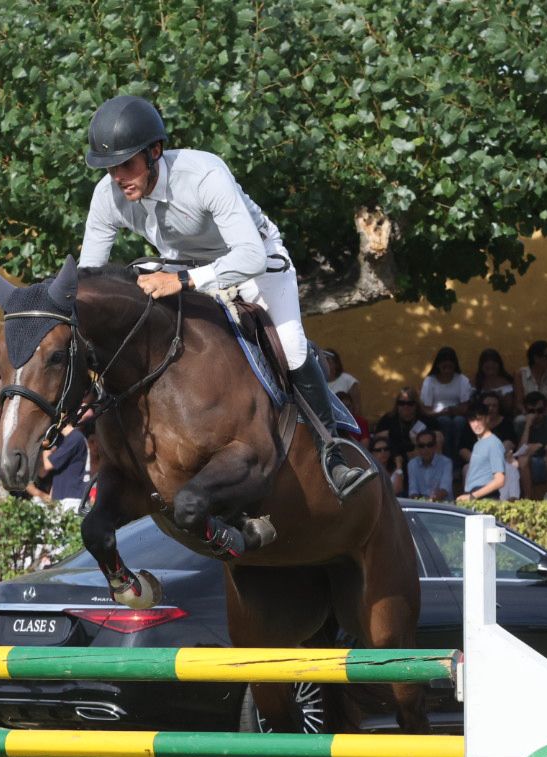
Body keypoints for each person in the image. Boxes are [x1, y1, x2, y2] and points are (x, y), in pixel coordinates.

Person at [76, 94, 372, 497]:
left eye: (126, 164)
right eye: (109, 168)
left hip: (255, 261)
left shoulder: (203, 174)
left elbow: (248, 255)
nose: (117, 177)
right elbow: (89, 280)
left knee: (292, 347)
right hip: (181, 265)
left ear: (155, 152)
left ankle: (332, 450)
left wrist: (180, 283)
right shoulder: (106, 197)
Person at [419, 347, 473, 456]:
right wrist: (442, 412)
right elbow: (426, 410)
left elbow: (465, 407)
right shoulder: (430, 381)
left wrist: (452, 410)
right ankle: (448, 456)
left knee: (459, 421)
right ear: (438, 365)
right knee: (444, 421)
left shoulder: (462, 380)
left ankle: (459, 456)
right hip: (436, 417)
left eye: (450, 365)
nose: (447, 368)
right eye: (444, 364)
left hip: (458, 415)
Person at [457, 402, 507, 502]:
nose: (476, 424)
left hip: (486, 498)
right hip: (476, 496)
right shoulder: (477, 444)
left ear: (487, 418)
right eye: (472, 420)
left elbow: (500, 480)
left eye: (479, 419)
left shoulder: (494, 443)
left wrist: (472, 496)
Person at [39, 422, 90, 511]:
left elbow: (47, 465)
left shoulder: (75, 437)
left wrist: (46, 446)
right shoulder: (66, 439)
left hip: (71, 499)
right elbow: (42, 473)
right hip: (62, 498)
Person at [373, 388, 429, 458]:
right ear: (397, 404)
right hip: (394, 456)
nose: (405, 406)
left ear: (416, 404)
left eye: (410, 403)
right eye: (401, 403)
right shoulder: (388, 418)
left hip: (420, 456)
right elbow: (376, 439)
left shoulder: (425, 419)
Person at [404, 431, 452, 501]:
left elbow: (444, 490)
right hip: (421, 506)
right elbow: (413, 491)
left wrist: (428, 502)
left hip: (443, 506)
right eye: (421, 446)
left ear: (435, 446)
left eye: (429, 445)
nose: (426, 449)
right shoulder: (412, 464)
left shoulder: (446, 463)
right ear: (417, 448)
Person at [515, 340, 547, 415]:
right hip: (527, 413)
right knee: (519, 421)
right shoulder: (521, 374)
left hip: (545, 414)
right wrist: (527, 413)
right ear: (536, 358)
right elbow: (519, 402)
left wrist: (543, 415)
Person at [473, 348, 518, 414]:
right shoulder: (475, 382)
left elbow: (509, 408)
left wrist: (500, 399)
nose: (490, 364)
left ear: (499, 365)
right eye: (486, 362)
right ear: (481, 365)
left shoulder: (507, 383)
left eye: (494, 362)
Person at [320, 347, 362, 417]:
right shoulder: (317, 383)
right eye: (322, 361)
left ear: (336, 364)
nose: (324, 364)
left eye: (327, 360)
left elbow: (357, 409)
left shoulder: (348, 380)